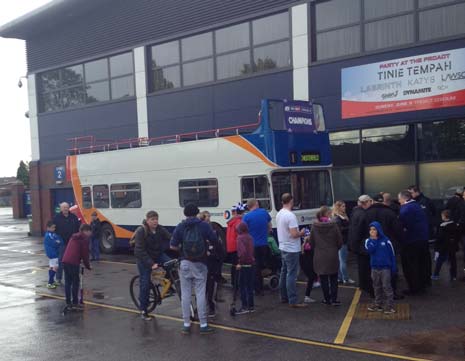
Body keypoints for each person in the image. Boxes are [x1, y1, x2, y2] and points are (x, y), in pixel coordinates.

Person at [171, 204, 218, 335]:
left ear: (185, 213)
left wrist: (183, 249)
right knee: (200, 293)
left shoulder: (181, 226)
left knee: (185, 294)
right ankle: (203, 324)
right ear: (197, 212)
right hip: (200, 263)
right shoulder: (203, 225)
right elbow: (214, 240)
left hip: (185, 263)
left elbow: (172, 246)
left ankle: (186, 324)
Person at [134, 210, 172, 320]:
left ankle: (166, 285)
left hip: (157, 255)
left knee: (171, 264)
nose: (155, 221)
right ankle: (143, 309)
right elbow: (139, 250)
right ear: (147, 220)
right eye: (152, 219)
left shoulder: (160, 229)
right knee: (145, 283)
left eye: (156, 219)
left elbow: (170, 238)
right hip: (144, 259)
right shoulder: (142, 231)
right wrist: (151, 264)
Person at [365, 193, 403, 299]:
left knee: (374, 269)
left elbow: (363, 229)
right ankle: (392, 292)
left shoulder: (367, 213)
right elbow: (397, 230)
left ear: (372, 201)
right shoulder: (390, 212)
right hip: (388, 244)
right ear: (383, 201)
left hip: (373, 244)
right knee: (390, 268)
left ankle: (375, 293)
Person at [276, 193, 306, 308]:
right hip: (292, 248)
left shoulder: (279, 214)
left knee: (284, 273)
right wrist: (302, 233)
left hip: (283, 246)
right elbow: (294, 234)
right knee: (291, 274)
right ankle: (293, 300)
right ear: (291, 201)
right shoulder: (290, 216)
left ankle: (283, 296)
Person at [398, 190, 430, 295]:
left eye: (399, 199)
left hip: (411, 242)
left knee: (411, 266)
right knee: (422, 264)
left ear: (404, 198)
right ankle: (422, 285)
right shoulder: (417, 206)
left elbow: (404, 226)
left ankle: (414, 288)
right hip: (423, 240)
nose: (399, 202)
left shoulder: (405, 209)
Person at [310, 206, 343, 306]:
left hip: (319, 254)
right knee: (333, 278)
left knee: (323, 278)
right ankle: (334, 299)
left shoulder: (314, 226)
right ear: (328, 214)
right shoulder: (334, 225)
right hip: (332, 254)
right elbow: (339, 241)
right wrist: (335, 248)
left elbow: (312, 241)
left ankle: (327, 299)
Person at [365, 222, 397, 315]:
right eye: (370, 229)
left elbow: (392, 254)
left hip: (385, 268)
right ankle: (378, 303)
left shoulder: (386, 240)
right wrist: (373, 240)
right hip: (374, 267)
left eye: (374, 229)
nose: (372, 231)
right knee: (376, 286)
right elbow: (370, 250)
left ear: (378, 230)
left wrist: (393, 267)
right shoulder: (368, 241)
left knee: (386, 286)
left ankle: (390, 306)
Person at [243, 199, 272, 295]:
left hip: (252, 246)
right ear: (256, 204)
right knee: (262, 265)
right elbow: (269, 227)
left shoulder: (246, 217)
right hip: (264, 244)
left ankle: (258, 289)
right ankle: (264, 283)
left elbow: (243, 232)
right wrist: (265, 235)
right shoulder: (264, 212)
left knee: (255, 267)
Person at [62, 224, 92, 312]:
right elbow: (85, 254)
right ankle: (75, 302)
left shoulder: (74, 237)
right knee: (75, 282)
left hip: (65, 260)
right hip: (73, 262)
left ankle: (68, 302)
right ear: (86, 231)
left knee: (68, 282)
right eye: (90, 231)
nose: (91, 233)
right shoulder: (84, 239)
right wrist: (88, 266)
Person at [199, 210, 222, 318]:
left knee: (211, 284)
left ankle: (211, 306)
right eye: (206, 217)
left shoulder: (214, 230)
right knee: (202, 285)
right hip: (203, 261)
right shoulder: (201, 230)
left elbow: (218, 245)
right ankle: (201, 306)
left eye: (209, 217)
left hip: (212, 261)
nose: (208, 219)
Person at [348, 195, 372, 296]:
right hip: (362, 243)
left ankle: (363, 285)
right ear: (366, 202)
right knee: (366, 267)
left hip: (356, 244)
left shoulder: (355, 212)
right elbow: (360, 231)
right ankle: (367, 286)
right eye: (370, 201)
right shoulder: (364, 214)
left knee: (361, 266)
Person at [53, 202, 80, 285]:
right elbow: (53, 230)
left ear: (69, 208)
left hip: (72, 243)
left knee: (72, 261)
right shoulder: (56, 218)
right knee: (61, 261)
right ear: (61, 208)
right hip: (61, 243)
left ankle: (71, 277)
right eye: (64, 207)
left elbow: (78, 229)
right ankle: (58, 278)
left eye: (67, 207)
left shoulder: (73, 217)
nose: (65, 209)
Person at [432, 210, 460, 281]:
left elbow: (439, 237)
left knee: (439, 261)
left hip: (443, 247)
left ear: (443, 217)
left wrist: (436, 246)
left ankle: (436, 275)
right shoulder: (455, 225)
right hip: (452, 246)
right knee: (453, 261)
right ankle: (453, 276)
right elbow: (457, 236)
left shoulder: (442, 226)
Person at [332, 201, 355, 285]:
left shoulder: (340, 217)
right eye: (343, 206)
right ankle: (345, 278)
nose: (344, 208)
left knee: (341, 260)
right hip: (342, 241)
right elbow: (339, 230)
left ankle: (340, 277)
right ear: (338, 207)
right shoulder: (338, 218)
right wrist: (349, 227)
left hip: (342, 241)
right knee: (343, 260)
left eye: (344, 206)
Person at [235, 222, 255, 314]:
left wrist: (240, 263)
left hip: (244, 265)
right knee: (250, 286)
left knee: (242, 286)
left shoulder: (239, 238)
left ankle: (244, 306)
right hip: (251, 264)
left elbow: (242, 252)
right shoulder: (250, 237)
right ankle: (251, 306)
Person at [226, 203, 246, 290]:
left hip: (231, 246)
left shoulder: (232, 222)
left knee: (234, 265)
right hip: (237, 246)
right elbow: (240, 236)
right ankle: (238, 284)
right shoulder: (239, 222)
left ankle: (234, 283)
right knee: (239, 265)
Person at [43, 221, 63, 289]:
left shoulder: (52, 234)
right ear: (48, 228)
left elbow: (59, 241)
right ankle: (50, 282)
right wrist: (58, 242)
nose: (54, 229)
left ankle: (51, 281)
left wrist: (58, 242)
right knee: (55, 267)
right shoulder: (49, 235)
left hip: (52, 252)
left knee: (52, 267)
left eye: (54, 227)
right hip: (53, 253)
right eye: (52, 227)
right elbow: (55, 243)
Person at [301, 229, 317, 304]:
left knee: (311, 278)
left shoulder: (303, 246)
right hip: (310, 265)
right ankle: (307, 296)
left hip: (305, 266)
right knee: (311, 278)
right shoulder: (309, 246)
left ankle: (307, 296)